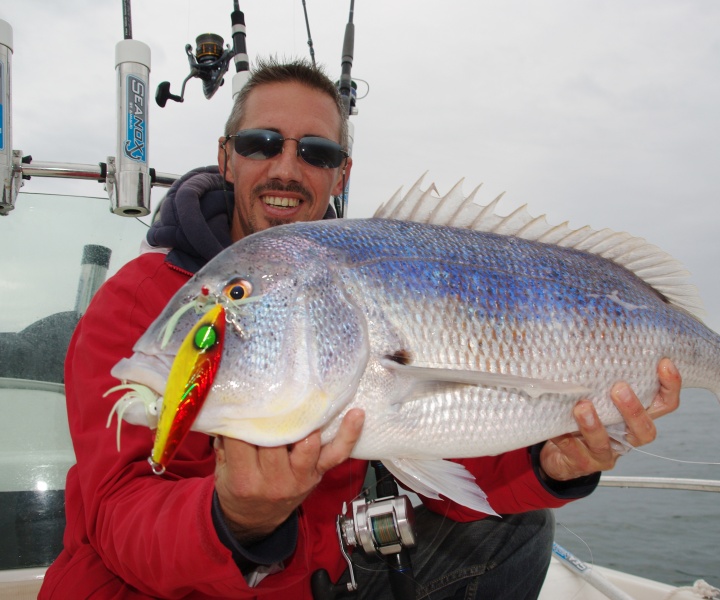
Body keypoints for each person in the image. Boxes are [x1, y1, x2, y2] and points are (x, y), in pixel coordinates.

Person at [39, 58, 681, 599]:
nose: (286, 168)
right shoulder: (140, 301)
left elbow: (442, 454)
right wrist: (235, 516)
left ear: (339, 174)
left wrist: (551, 462)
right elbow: (116, 517)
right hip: (156, 586)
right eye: (261, 143)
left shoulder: (353, 280)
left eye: (316, 152)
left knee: (517, 529)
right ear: (226, 158)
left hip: (319, 574)